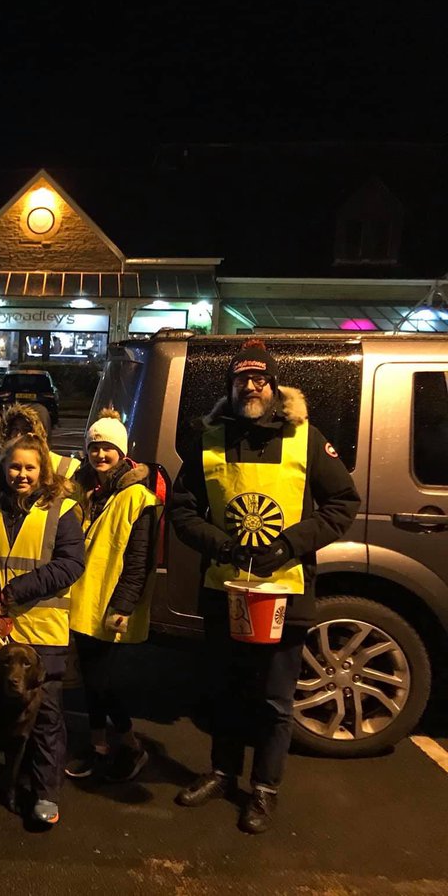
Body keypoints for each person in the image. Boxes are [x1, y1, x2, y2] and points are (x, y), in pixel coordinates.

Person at [169, 338, 360, 834]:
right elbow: (184, 510)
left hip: (284, 592)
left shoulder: (307, 438)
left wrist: (290, 545)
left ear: (274, 386)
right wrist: (224, 546)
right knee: (225, 689)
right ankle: (221, 772)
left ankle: (265, 790)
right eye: (241, 379)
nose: (250, 386)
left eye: (260, 379)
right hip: (226, 588)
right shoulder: (209, 439)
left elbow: (342, 501)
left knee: (275, 699)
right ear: (230, 386)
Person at [0, 434, 86, 827]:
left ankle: (45, 793)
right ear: (5, 468)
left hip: (42, 633)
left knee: (45, 716)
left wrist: (15, 591)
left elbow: (71, 564)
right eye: (15, 466)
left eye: (30, 467)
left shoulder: (61, 510)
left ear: (42, 470)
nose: (22, 474)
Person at [65, 409, 164, 783]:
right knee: (91, 680)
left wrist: (123, 605)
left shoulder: (138, 497)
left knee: (103, 682)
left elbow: (139, 559)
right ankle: (98, 746)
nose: (100, 455)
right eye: (94, 448)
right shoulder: (84, 488)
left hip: (109, 605)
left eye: (107, 448)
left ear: (121, 452)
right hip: (83, 598)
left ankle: (131, 746)